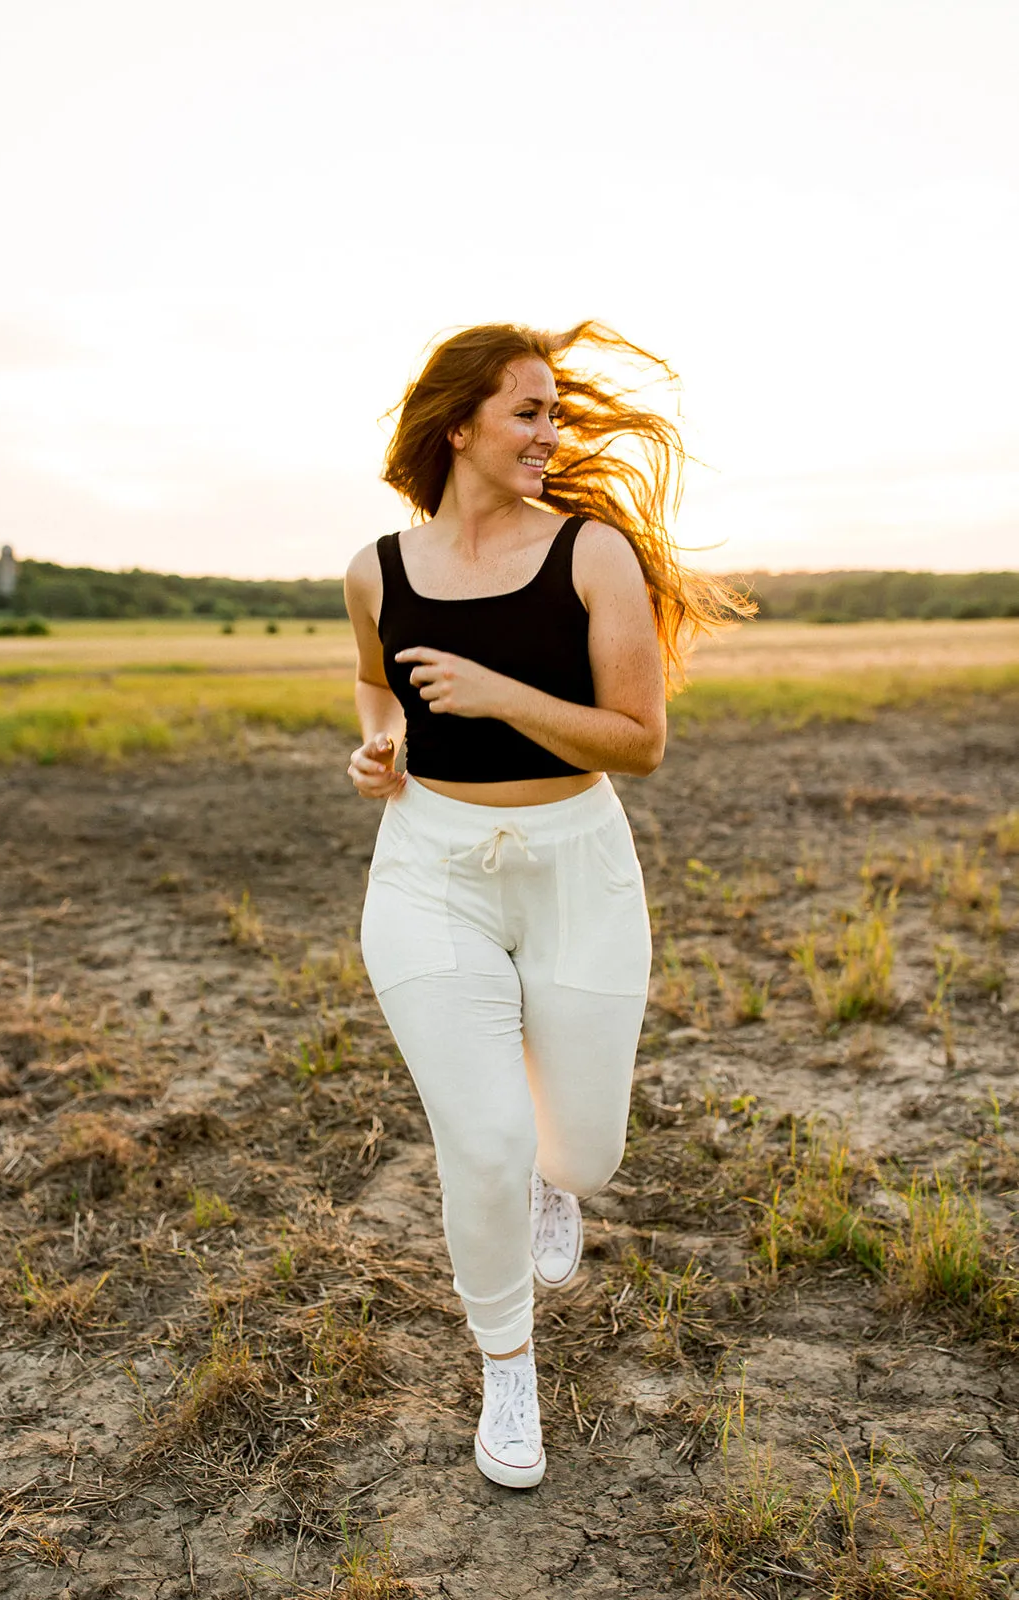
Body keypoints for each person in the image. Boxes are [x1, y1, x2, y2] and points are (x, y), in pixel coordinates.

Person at [343, 322, 745, 1489]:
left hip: (577, 866)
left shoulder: (591, 553)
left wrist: (496, 691)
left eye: (556, 414)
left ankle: (551, 1177)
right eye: (529, 412)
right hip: (429, 868)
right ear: (459, 421)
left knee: (586, 1149)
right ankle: (506, 1367)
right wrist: (378, 751)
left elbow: (641, 741)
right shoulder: (377, 569)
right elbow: (378, 691)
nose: (550, 435)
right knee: (482, 1138)